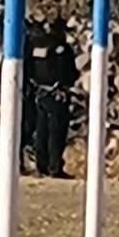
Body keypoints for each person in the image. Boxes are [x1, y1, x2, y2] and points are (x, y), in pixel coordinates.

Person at [25, 18, 80, 179]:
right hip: (57, 94)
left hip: (40, 92)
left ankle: (41, 166)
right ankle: (55, 167)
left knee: (41, 130)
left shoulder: (36, 46)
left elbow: (29, 68)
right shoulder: (61, 49)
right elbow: (69, 72)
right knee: (56, 132)